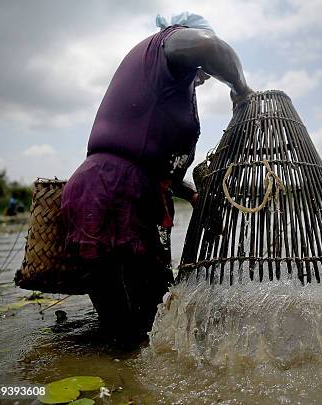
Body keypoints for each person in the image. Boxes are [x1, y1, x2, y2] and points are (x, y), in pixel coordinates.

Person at [60, 12, 254, 343]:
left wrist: (192, 195)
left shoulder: (168, 82)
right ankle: (128, 373)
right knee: (136, 319)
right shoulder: (168, 43)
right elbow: (211, 47)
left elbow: (154, 159)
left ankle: (123, 372)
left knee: (144, 311)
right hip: (113, 190)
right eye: (202, 71)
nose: (205, 76)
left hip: (127, 187)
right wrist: (240, 88)